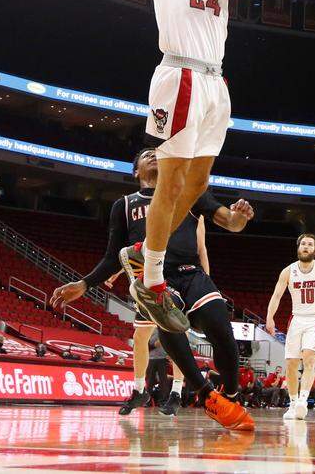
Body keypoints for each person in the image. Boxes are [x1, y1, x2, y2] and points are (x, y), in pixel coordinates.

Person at [120, 0, 273, 335]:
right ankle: (153, 272)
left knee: (198, 179)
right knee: (172, 178)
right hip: (179, 72)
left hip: (216, 84)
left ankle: (147, 255)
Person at [52, 148, 257, 431]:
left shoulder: (188, 192)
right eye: (145, 155)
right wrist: (85, 283)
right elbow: (112, 256)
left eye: (156, 153)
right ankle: (206, 394)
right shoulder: (124, 205)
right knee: (165, 317)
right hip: (155, 275)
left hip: (191, 272)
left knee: (222, 331)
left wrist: (240, 218)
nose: (152, 155)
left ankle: (231, 395)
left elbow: (229, 222)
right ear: (136, 171)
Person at [265, 232, 315, 420]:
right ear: (298, 247)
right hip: (296, 319)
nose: (306, 247)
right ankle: (293, 404)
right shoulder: (288, 271)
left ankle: (302, 401)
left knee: (309, 359)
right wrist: (270, 317)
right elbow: (276, 296)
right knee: (291, 364)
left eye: (310, 244)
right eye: (303, 244)